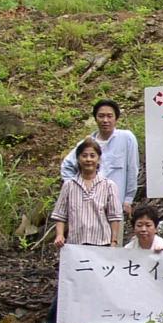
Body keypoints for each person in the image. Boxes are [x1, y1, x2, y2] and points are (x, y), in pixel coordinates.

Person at [27, 138, 123, 323]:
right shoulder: (70, 185)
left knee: (97, 288)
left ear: (98, 159)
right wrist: (60, 235)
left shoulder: (108, 186)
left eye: (92, 156)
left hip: (100, 245)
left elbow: (115, 217)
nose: (88, 159)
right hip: (75, 246)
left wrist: (114, 242)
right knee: (68, 286)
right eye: (84, 155)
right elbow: (60, 215)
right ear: (78, 159)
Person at [61, 99, 138, 247]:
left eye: (109, 116)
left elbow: (132, 169)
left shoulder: (126, 138)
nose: (105, 120)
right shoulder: (87, 144)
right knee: (86, 249)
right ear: (95, 118)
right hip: (87, 208)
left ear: (116, 118)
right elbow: (67, 166)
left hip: (115, 206)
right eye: (101, 116)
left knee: (113, 248)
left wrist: (128, 198)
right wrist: (75, 187)